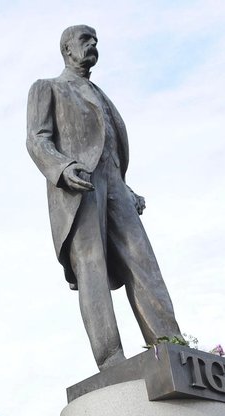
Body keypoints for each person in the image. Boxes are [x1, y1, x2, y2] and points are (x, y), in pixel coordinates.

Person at [26, 25, 181, 371]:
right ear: (67, 49)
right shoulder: (47, 88)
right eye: (85, 40)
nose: (93, 45)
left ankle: (171, 346)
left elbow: (109, 150)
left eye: (95, 40)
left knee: (144, 263)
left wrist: (126, 188)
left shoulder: (101, 95)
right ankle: (111, 359)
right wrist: (62, 168)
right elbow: (37, 139)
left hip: (114, 186)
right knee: (91, 267)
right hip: (78, 187)